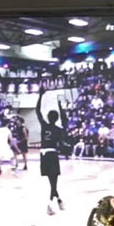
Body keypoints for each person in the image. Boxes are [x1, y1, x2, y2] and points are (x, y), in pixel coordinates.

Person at [35, 86, 68, 215]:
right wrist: (61, 107)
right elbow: (64, 120)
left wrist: (40, 96)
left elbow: (37, 111)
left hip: (43, 154)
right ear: (56, 118)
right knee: (54, 181)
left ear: (48, 117)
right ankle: (50, 205)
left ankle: (59, 200)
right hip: (52, 154)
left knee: (52, 180)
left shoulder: (44, 125)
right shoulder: (59, 129)